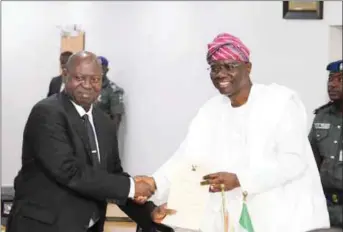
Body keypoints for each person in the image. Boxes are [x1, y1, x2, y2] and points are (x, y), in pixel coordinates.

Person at [139, 33, 330, 232]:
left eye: (229, 66)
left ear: (248, 67)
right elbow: (188, 157)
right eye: (215, 68)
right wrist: (155, 182)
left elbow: (293, 162)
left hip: (281, 216)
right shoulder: (211, 110)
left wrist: (240, 179)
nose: (221, 74)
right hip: (232, 215)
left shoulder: (279, 102)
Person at [6, 51, 157, 232]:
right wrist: (132, 187)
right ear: (65, 75)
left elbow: (113, 174)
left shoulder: (104, 122)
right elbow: (70, 172)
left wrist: (150, 213)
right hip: (43, 226)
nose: (87, 85)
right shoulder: (47, 113)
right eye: (80, 78)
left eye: (95, 79)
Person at [309, 60, 342, 228]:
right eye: (331, 79)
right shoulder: (321, 117)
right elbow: (310, 163)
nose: (333, 84)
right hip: (325, 208)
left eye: (340, 79)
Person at [95, 56, 125, 130]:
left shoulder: (113, 90)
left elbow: (117, 118)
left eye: (101, 68)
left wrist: (110, 138)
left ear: (106, 70)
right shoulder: (85, 86)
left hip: (101, 132)